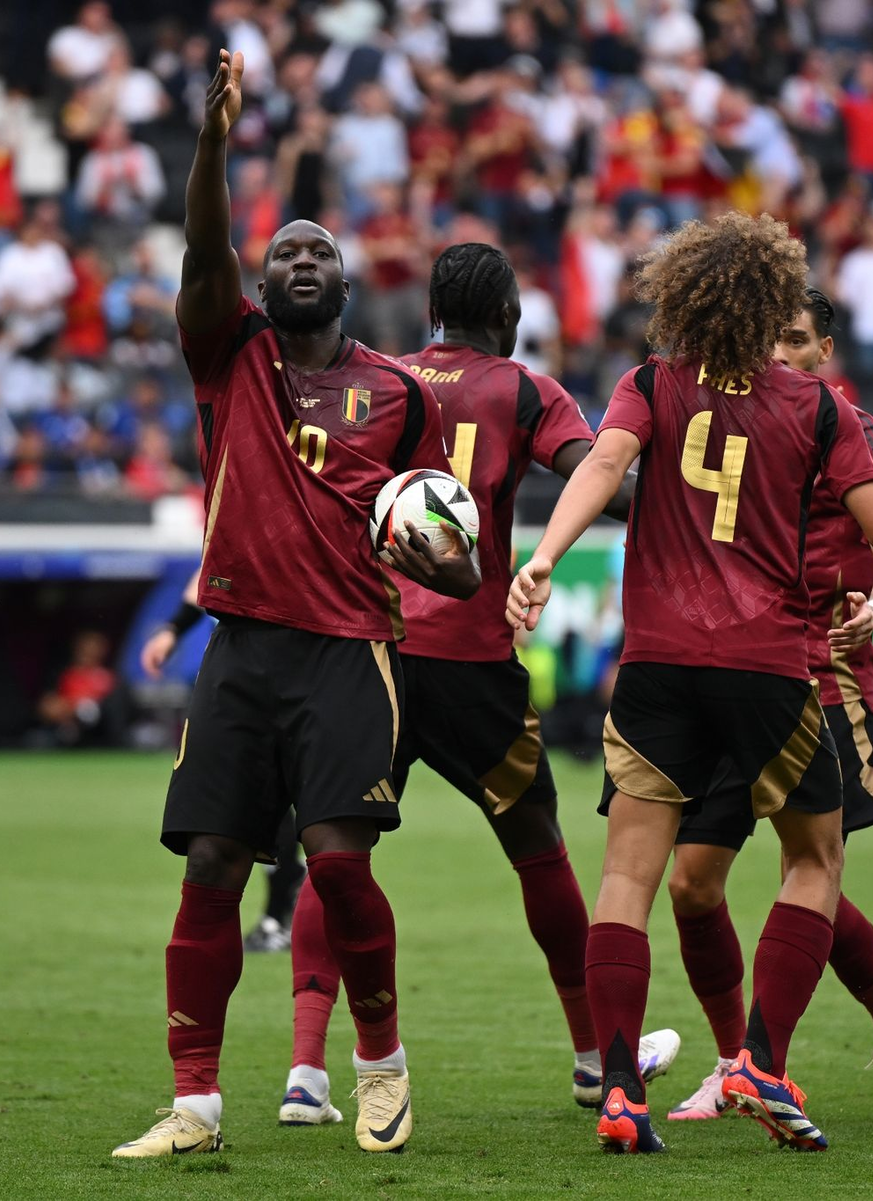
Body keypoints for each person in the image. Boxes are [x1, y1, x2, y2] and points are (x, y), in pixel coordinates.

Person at [507, 212, 873, 1153]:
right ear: (774, 300)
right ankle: (762, 1061)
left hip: (655, 666)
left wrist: (544, 558)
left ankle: (618, 1091)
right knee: (813, 863)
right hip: (770, 667)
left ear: (683, 296)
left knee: (625, 878)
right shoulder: (817, 410)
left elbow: (605, 463)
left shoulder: (651, 383)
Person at [113, 50, 479, 1161]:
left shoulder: (403, 394)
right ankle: (196, 1104)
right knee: (213, 865)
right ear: (259, 283)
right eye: (285, 253)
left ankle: (378, 1069)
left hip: (349, 649)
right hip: (241, 645)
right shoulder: (226, 353)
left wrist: (451, 562)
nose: (303, 261)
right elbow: (201, 240)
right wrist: (216, 141)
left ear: (349, 284)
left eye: (321, 251)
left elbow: (451, 550)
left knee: (338, 857)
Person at [280, 241, 679, 1127]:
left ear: (431, 311)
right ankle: (589, 1057)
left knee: (339, 851)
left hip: (369, 653)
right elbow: (603, 480)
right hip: (471, 662)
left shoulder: (379, 378)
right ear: (509, 317)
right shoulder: (524, 389)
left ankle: (306, 1072)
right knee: (538, 847)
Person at [663, 289, 873, 1126]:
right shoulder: (727, 416)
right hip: (733, 670)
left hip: (824, 671)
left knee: (807, 871)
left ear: (826, 350)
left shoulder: (856, 430)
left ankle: (862, 1042)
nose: (780, 355)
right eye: (769, 338)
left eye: (796, 341)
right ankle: (733, 1057)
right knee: (692, 884)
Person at [140, 569, 305, 954]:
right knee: (255, 803)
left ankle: (292, 910)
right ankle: (284, 911)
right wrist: (173, 629)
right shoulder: (236, 523)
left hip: (296, 677)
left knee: (294, 805)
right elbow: (207, 570)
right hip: (242, 683)